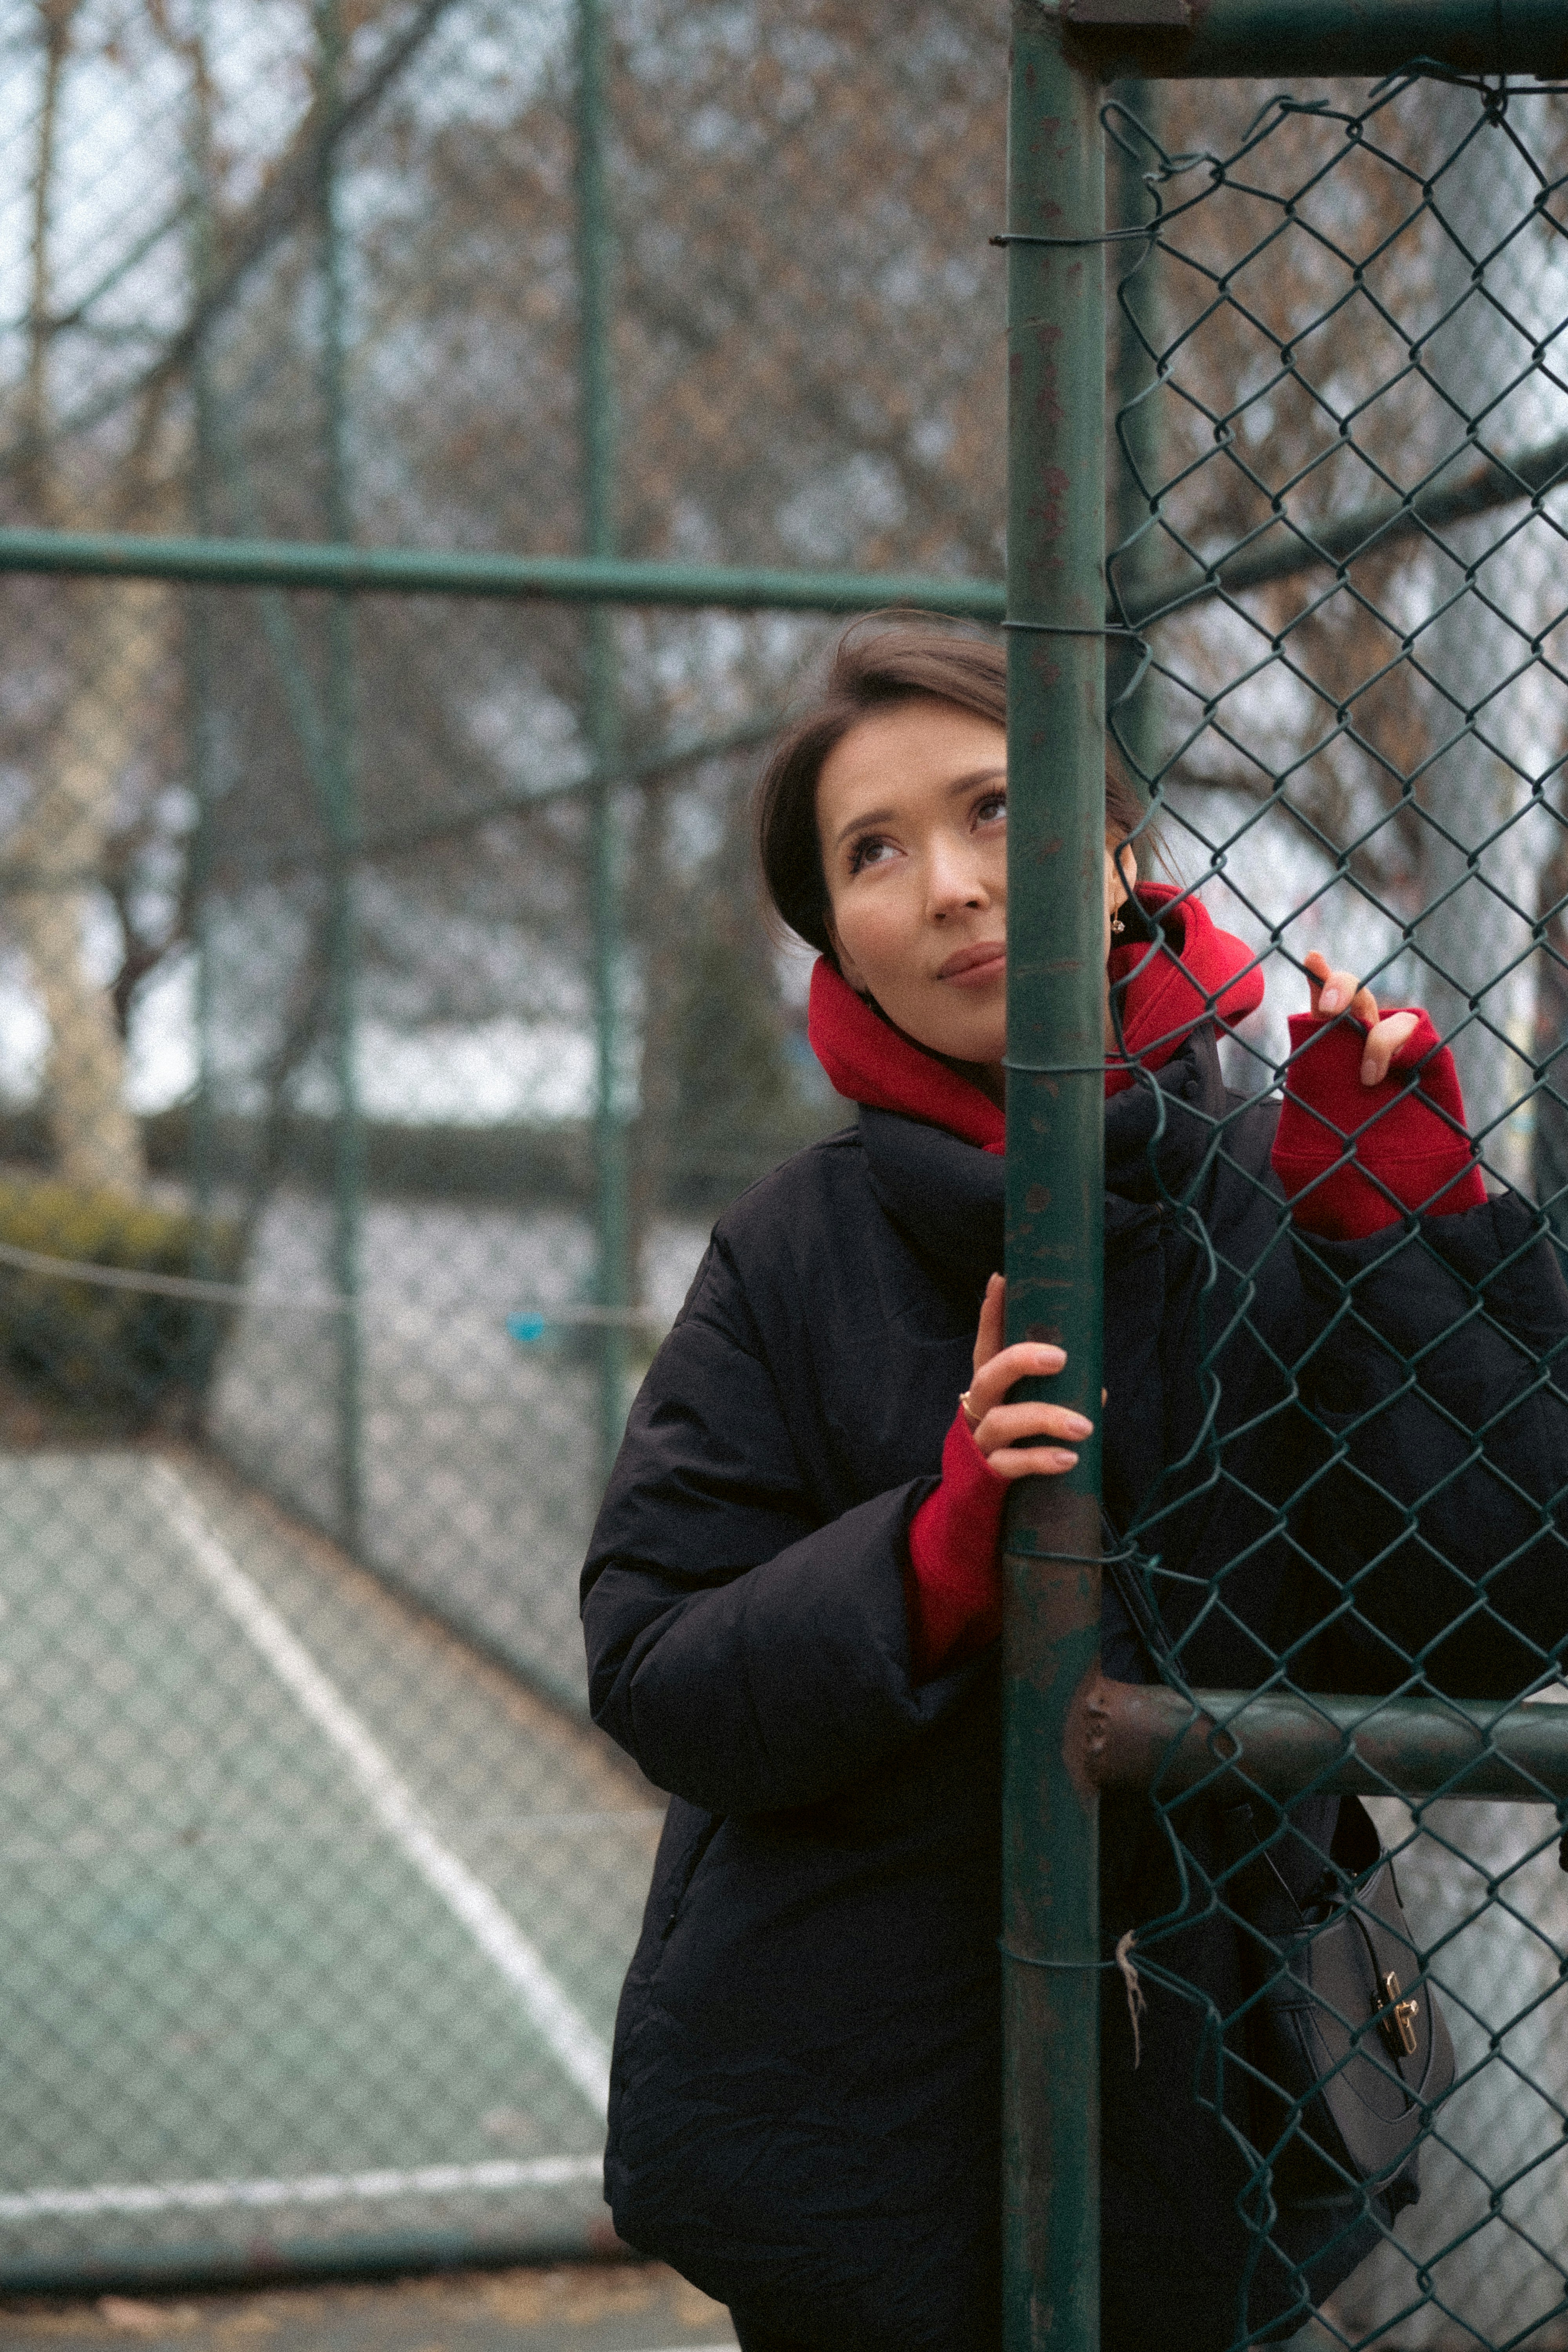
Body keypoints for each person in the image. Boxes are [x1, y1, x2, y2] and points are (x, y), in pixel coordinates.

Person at [580, 621, 1568, 2352]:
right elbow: (658, 1667)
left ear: (1119, 859)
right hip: (860, 2106)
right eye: (872, 853)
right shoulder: (793, 1249)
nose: (952, 885)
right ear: (836, 944)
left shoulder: (1270, 1192)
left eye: (994, 811)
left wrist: (1395, 1226)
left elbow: (1478, 1617)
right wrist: (941, 1557)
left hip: (1213, 2082)